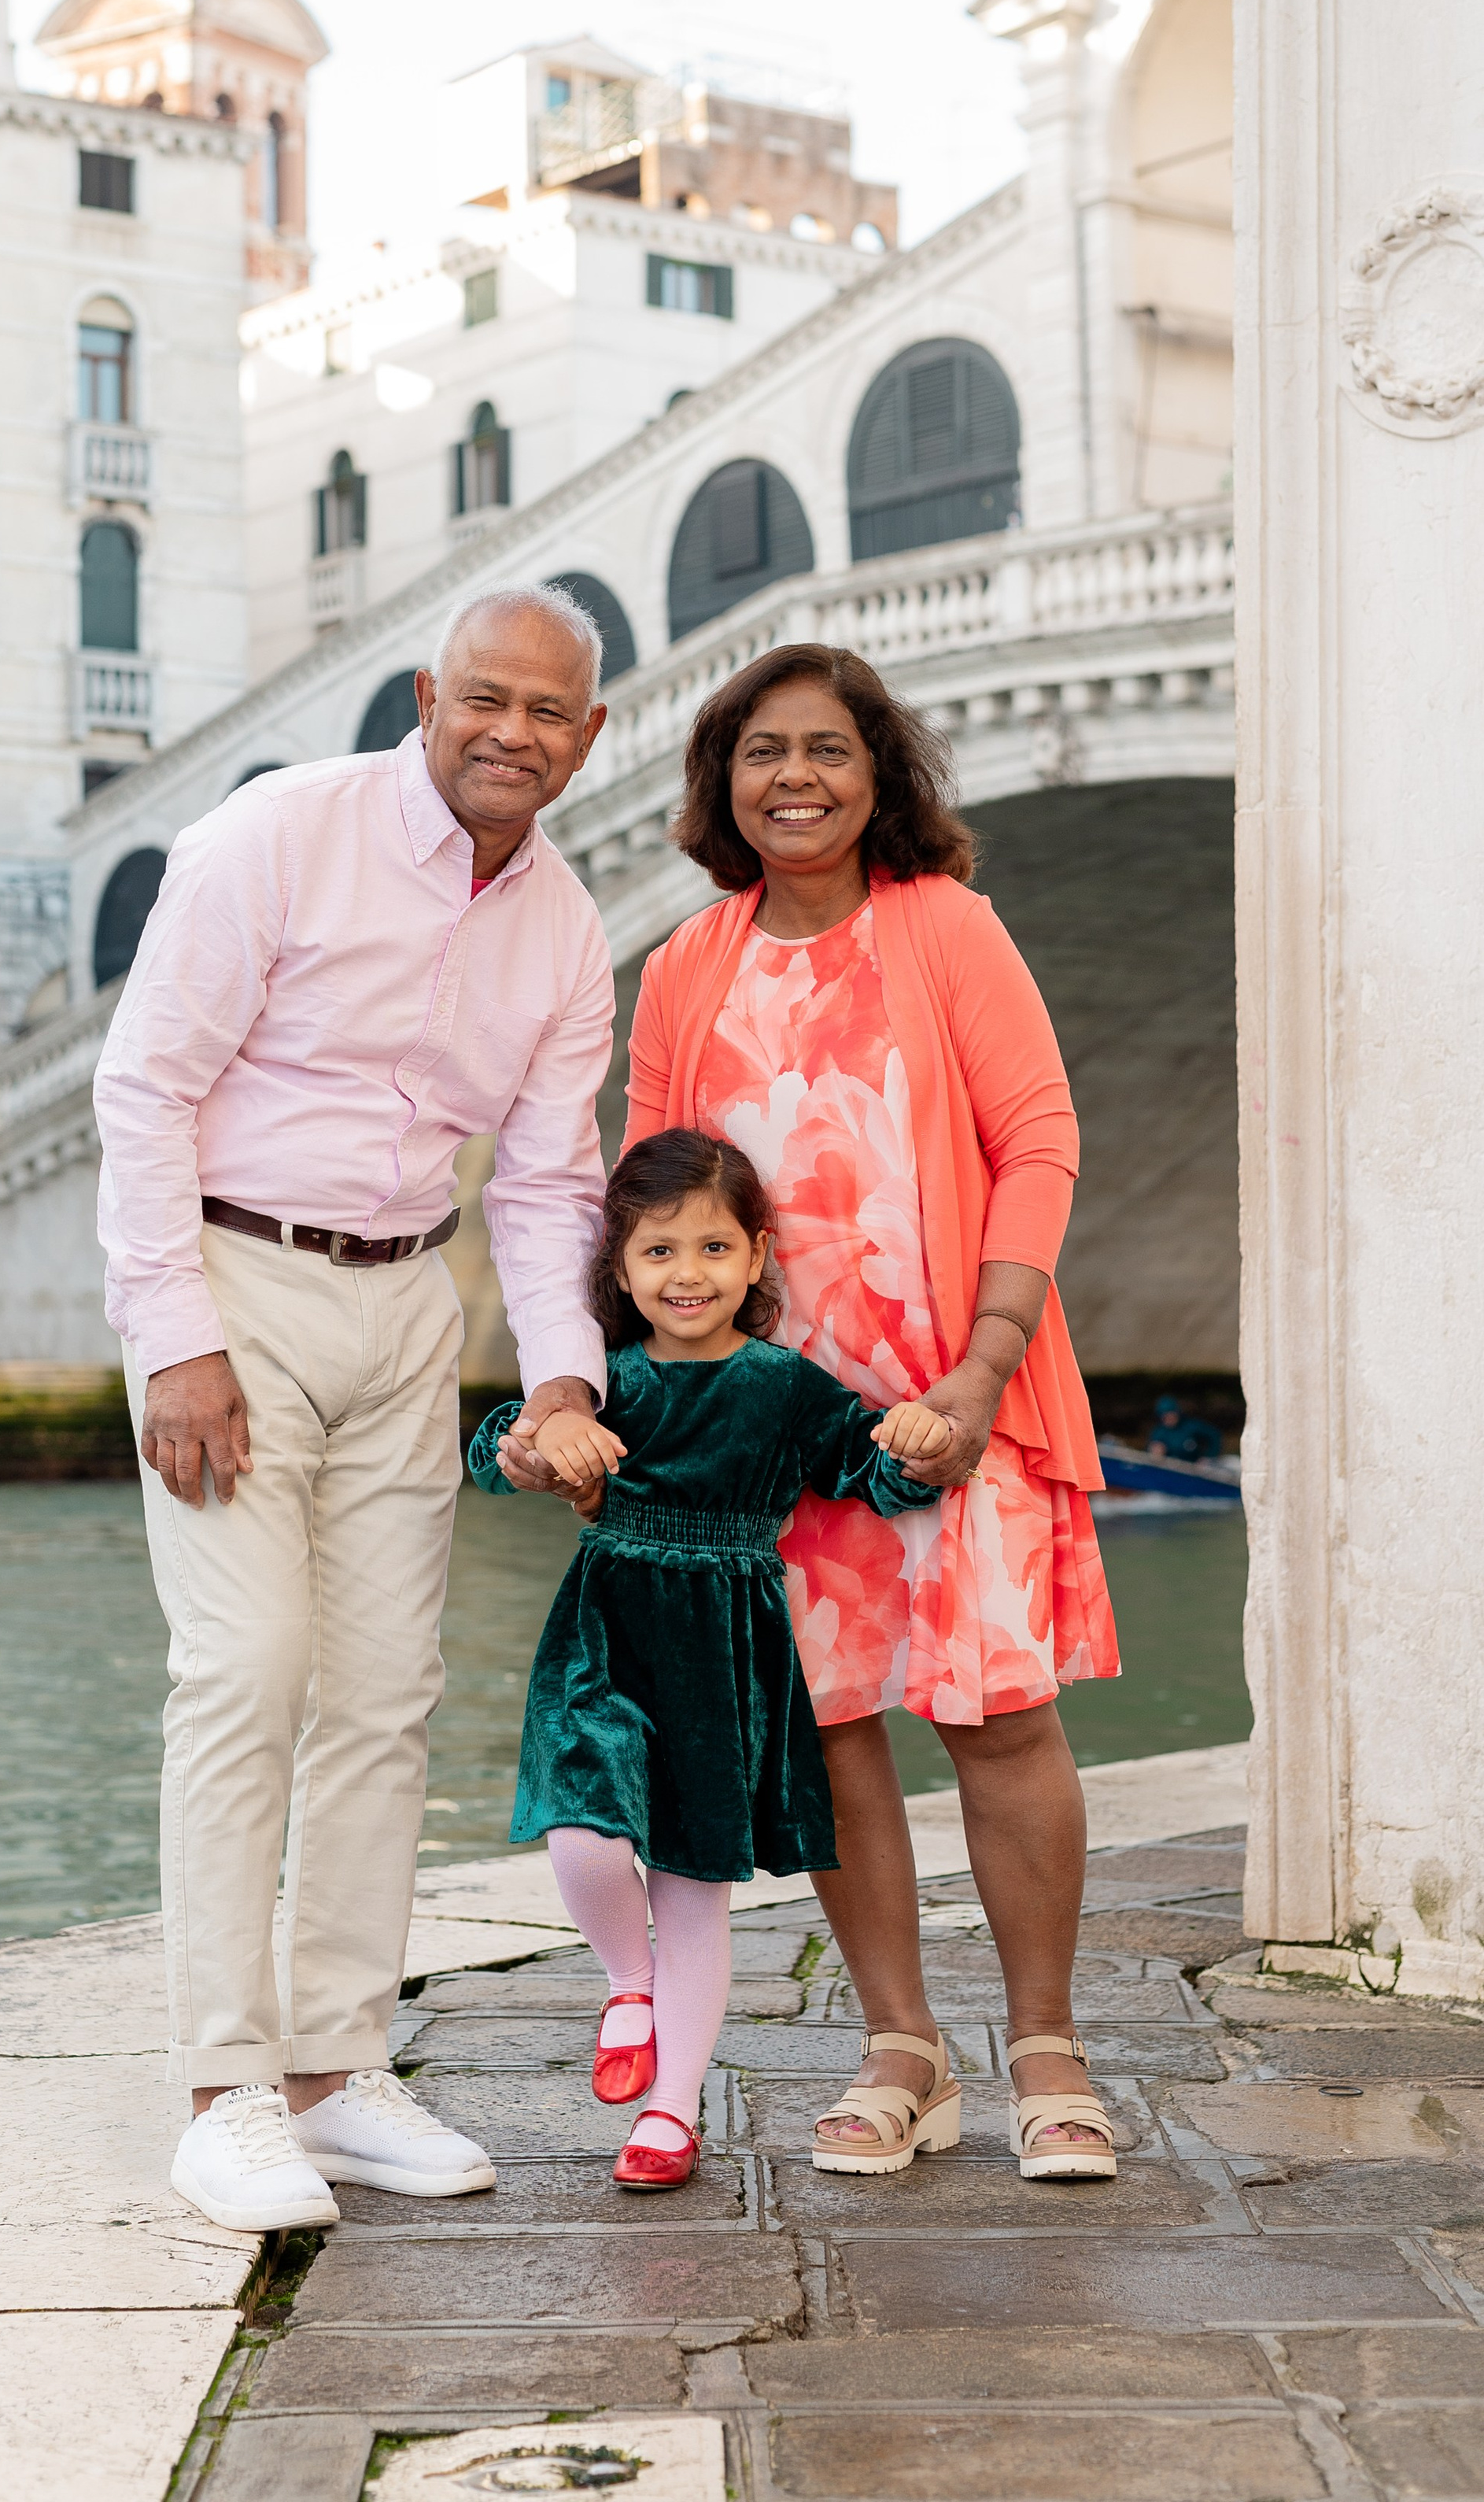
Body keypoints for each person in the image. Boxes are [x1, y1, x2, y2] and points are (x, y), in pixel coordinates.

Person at [512, 641, 1122, 2182]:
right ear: (718, 781)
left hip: (941, 1397)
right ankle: (898, 2048)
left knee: (998, 1710)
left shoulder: (947, 929)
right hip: (755, 1431)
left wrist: (984, 1365)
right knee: (831, 1726)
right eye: (758, 751)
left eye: (825, 749)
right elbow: (642, 1212)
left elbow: (1036, 1139)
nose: (793, 777)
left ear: (879, 774)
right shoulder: (687, 964)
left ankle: (1044, 2045)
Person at [94, 585, 616, 2234]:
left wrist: (560, 1377)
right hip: (232, 1291)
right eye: (484, 697)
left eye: (545, 711)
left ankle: (335, 2065)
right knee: (244, 1669)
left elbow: (543, 1183)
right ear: (425, 693)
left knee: (388, 1693)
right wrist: (173, 1337)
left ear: (586, 738)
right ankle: (220, 2087)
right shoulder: (276, 836)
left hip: (408, 1302)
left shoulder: (569, 928)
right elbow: (146, 1086)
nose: (510, 731)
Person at [469, 1128, 952, 2191]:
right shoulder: (605, 1385)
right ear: (620, 1269)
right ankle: (626, 1983)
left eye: (712, 1249)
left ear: (757, 1256)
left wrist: (915, 1450)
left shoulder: (785, 1388)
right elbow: (502, 1456)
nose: (687, 1275)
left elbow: (866, 1474)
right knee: (582, 1829)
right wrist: (530, 1442)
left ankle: (672, 2111)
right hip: (610, 1622)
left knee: (694, 1884)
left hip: (728, 1644)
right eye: (659, 1253)